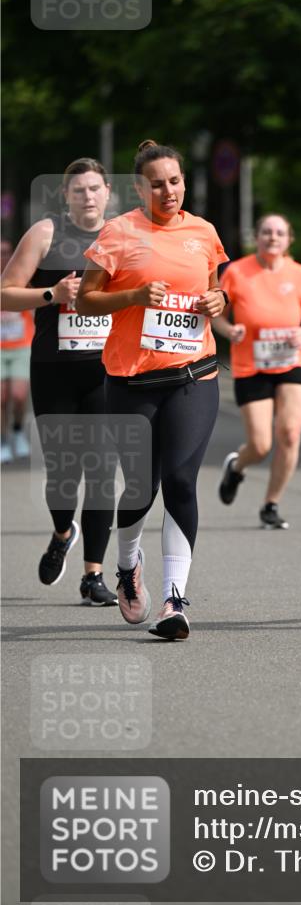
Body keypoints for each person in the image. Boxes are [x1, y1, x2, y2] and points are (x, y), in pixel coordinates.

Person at [76, 139, 227, 641]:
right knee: (141, 488)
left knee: (181, 480)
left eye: (176, 181)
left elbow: (214, 290)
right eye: (157, 183)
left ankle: (174, 599)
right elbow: (88, 302)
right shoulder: (119, 233)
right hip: (132, 380)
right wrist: (136, 295)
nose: (169, 190)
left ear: (185, 182)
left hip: (193, 373)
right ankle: (126, 566)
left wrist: (217, 301)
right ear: (140, 188)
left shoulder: (203, 232)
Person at [0, 159, 118, 606]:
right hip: (54, 370)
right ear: (66, 196)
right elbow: (4, 292)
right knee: (64, 474)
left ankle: (93, 575)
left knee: (103, 473)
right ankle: (62, 531)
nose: (87, 197)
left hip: (106, 371)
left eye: (94, 189)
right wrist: (52, 295)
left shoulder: (122, 236)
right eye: (78, 191)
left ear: (108, 192)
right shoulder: (46, 234)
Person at [215, 213, 301, 529]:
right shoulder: (237, 272)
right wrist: (229, 330)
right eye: (266, 232)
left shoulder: (300, 274)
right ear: (257, 238)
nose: (272, 237)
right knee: (261, 445)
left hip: (292, 362)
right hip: (252, 365)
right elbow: (217, 317)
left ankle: (271, 503)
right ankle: (238, 466)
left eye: (279, 233)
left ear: (289, 239)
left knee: (290, 434)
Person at [1, 239, 34, 463]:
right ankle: (3, 441)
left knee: (19, 396)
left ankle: (18, 430)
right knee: (1, 398)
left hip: (22, 344)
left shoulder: (21, 276)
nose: (2, 256)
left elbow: (36, 302)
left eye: (6, 252)